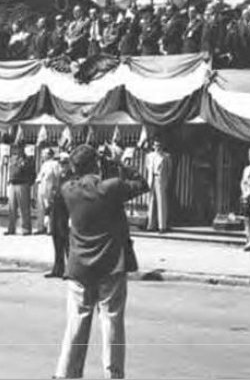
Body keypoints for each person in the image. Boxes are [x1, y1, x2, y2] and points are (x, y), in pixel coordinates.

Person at [53, 144, 149, 379]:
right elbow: (142, 183)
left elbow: (59, 221)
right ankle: (113, 374)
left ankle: (66, 373)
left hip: (78, 267)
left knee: (76, 322)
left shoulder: (68, 190)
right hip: (110, 265)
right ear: (97, 164)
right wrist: (117, 163)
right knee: (112, 321)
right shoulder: (111, 187)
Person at [45, 152, 71, 279]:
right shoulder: (59, 175)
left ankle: (70, 269)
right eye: (61, 163)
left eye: (64, 163)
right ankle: (58, 268)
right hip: (56, 209)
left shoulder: (72, 177)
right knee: (56, 239)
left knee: (66, 239)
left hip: (65, 211)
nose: (62, 166)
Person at [4, 146, 35, 235]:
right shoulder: (12, 160)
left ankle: (26, 229)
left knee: (24, 208)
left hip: (22, 184)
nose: (15, 152)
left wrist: (29, 183)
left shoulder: (27, 160)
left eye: (17, 150)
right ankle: (11, 228)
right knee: (11, 208)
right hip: (13, 184)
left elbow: (32, 173)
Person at [144, 137, 172, 233]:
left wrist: (166, 180)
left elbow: (169, 170)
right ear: (153, 146)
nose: (157, 147)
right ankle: (150, 225)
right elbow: (147, 167)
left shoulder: (166, 156)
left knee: (161, 202)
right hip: (152, 178)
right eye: (156, 145)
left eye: (159, 145)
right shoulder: (149, 156)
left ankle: (162, 226)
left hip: (161, 179)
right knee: (151, 201)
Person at [35, 148, 61, 234]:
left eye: (45, 154)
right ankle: (40, 227)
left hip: (49, 188)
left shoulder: (55, 164)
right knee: (40, 208)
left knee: (49, 208)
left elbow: (57, 176)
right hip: (41, 187)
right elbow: (40, 176)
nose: (43, 155)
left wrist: (56, 188)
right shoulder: (44, 164)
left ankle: (50, 228)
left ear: (50, 155)